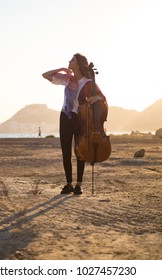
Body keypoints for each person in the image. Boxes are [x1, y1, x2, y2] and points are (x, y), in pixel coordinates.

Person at [42, 53, 106, 195]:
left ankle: (79, 184)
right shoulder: (67, 79)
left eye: (72, 60)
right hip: (65, 116)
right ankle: (68, 184)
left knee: (80, 151)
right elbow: (45, 75)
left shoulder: (89, 82)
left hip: (80, 118)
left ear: (78, 64)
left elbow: (102, 97)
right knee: (65, 151)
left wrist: (97, 97)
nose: (69, 62)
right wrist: (61, 69)